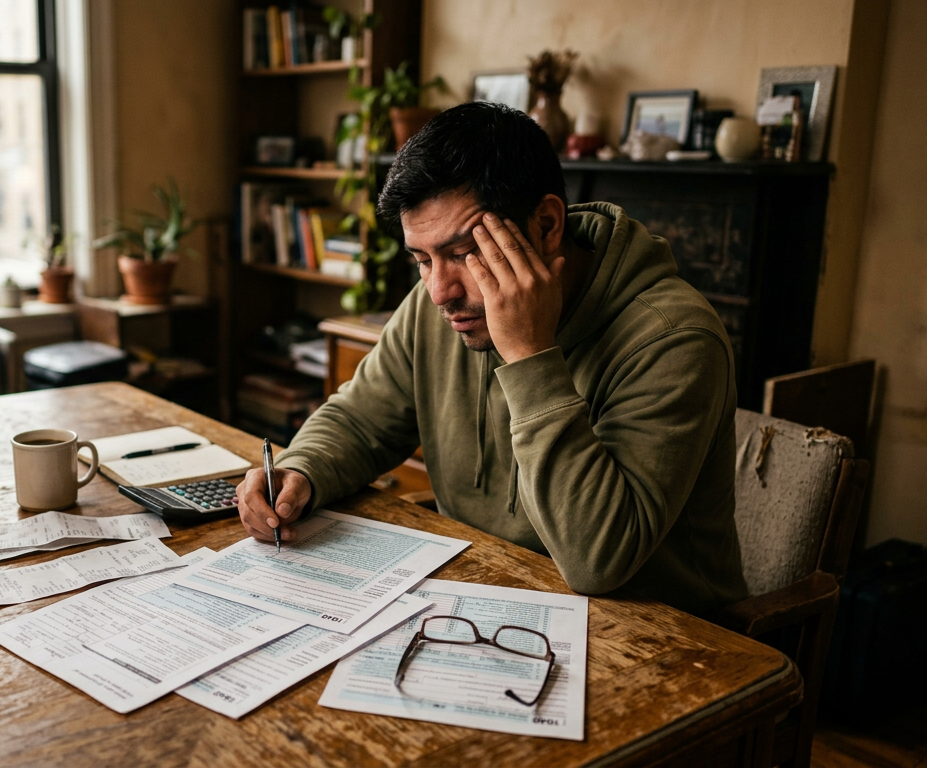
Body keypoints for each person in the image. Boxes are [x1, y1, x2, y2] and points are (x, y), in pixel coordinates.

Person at [236, 102, 748, 617]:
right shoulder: (441, 304)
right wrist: (302, 469)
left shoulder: (675, 339)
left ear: (546, 224)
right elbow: (360, 418)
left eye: (463, 253)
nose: (439, 291)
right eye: (422, 259)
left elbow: (598, 561)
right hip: (482, 593)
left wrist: (529, 353)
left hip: (662, 631)